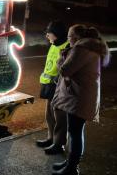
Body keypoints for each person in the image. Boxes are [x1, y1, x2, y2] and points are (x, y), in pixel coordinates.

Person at [51, 25, 110, 175]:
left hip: (80, 98)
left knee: (75, 132)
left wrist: (62, 57)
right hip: (83, 96)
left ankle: (72, 167)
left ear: (76, 38)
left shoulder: (81, 49)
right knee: (75, 131)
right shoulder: (90, 48)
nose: (68, 39)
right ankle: (70, 162)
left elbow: (65, 70)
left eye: (70, 36)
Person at [36, 20, 69, 155]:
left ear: (56, 33)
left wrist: (57, 80)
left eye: (48, 33)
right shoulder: (54, 44)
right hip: (49, 85)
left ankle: (59, 144)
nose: (47, 36)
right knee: (49, 114)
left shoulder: (66, 46)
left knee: (59, 117)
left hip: (59, 86)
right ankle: (51, 138)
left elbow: (66, 68)